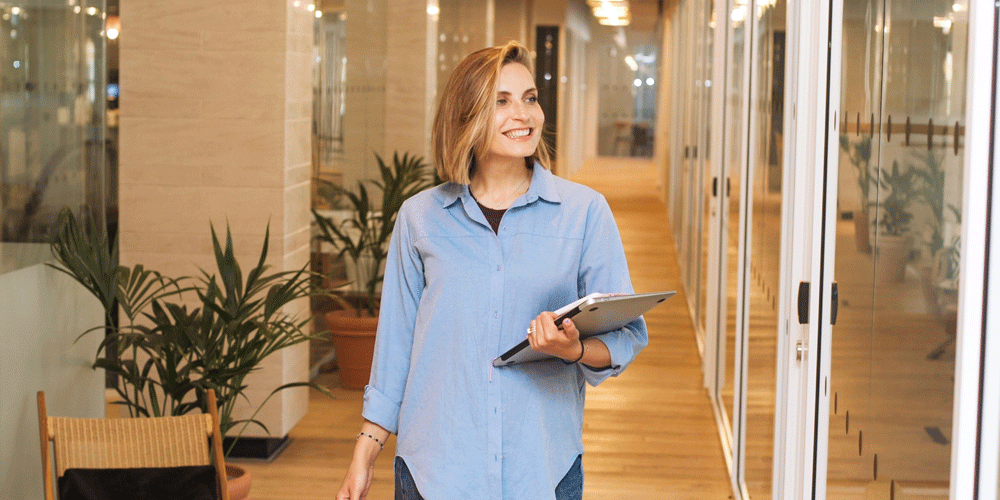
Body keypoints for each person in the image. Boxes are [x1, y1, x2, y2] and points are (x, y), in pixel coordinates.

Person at [336, 41, 648, 500]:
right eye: (500, 101)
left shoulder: (584, 213)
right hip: (434, 470)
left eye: (530, 98)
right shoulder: (420, 217)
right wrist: (366, 451)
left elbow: (626, 336)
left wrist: (574, 348)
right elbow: (396, 344)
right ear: (466, 116)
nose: (523, 114)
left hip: (541, 470)